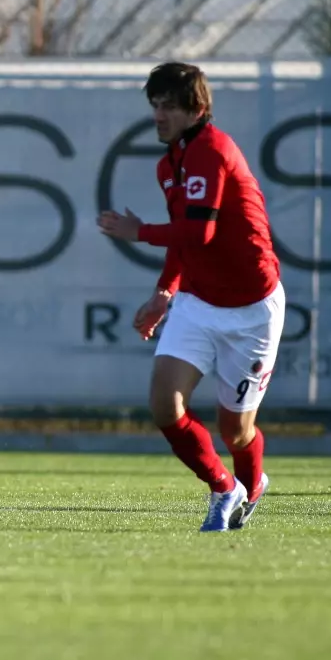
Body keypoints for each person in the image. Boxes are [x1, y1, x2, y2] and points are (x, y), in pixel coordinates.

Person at [97, 62, 279, 532]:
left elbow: (200, 230)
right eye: (155, 105)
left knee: (235, 430)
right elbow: (185, 239)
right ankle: (224, 488)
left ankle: (251, 483)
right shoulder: (170, 162)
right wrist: (164, 292)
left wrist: (139, 232)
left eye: (170, 107)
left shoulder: (211, 150)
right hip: (198, 303)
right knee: (164, 404)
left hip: (252, 308)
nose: (158, 115)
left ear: (197, 109)